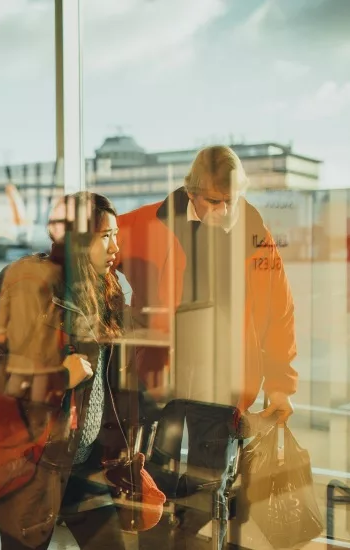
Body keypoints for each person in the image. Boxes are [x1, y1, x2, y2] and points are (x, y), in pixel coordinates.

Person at [115, 145, 299, 548]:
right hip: (162, 379)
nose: (224, 209)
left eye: (231, 200)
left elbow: (279, 315)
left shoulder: (255, 235)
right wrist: (113, 305)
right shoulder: (151, 222)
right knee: (153, 481)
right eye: (215, 201)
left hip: (222, 383)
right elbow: (92, 245)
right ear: (192, 191)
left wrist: (281, 384)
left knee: (207, 487)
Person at [0, 192, 132, 550]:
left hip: (84, 459)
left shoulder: (107, 293)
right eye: (106, 235)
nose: (117, 245)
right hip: (33, 463)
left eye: (116, 234)